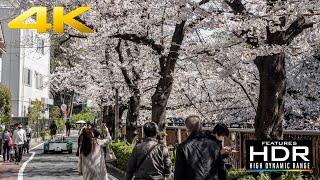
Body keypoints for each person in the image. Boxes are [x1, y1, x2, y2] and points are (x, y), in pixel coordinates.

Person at [174, 115, 222, 180]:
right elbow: (221, 169)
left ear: (187, 129)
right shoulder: (214, 144)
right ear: (201, 126)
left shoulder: (183, 147)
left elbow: (179, 173)